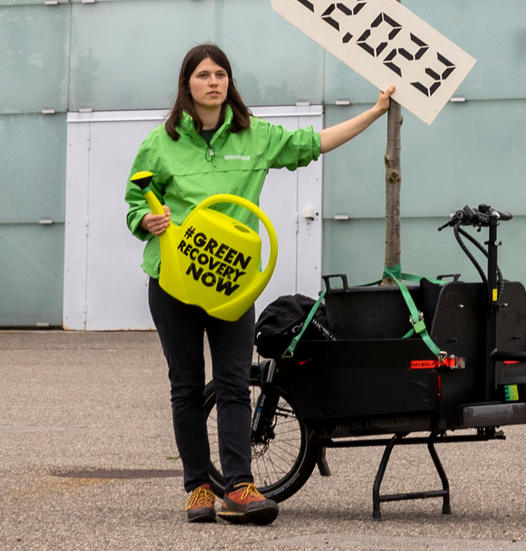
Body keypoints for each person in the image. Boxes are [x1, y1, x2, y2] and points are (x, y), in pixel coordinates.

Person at [125, 42, 391, 525]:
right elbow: (135, 201)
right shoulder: (160, 143)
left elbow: (315, 143)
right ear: (187, 84)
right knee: (186, 385)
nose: (213, 82)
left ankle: (239, 487)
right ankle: (198, 488)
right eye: (203, 75)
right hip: (173, 281)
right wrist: (146, 220)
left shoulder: (255, 136)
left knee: (233, 382)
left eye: (220, 74)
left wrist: (374, 113)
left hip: (231, 284)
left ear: (229, 82)